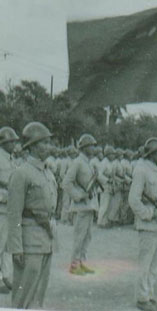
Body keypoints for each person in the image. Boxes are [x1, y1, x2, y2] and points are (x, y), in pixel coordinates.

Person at [7, 122, 57, 309]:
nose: (49, 146)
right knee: (23, 296)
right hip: (28, 242)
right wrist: (16, 248)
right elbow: (14, 214)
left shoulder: (47, 172)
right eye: (45, 142)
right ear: (34, 146)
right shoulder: (22, 173)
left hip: (45, 240)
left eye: (49, 142)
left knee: (38, 296)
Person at [128, 137, 157, 311]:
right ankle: (142, 298)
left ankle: (150, 294)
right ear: (151, 153)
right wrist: (149, 214)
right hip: (148, 225)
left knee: (156, 263)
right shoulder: (141, 170)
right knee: (145, 263)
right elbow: (133, 200)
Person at [63, 134, 100, 275]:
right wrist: (78, 196)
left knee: (87, 236)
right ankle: (74, 265)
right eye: (91, 145)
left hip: (89, 205)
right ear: (84, 148)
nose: (93, 148)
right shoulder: (77, 162)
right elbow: (66, 183)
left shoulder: (89, 163)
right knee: (79, 237)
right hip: (81, 206)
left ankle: (81, 262)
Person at [0, 127, 20, 294]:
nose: (14, 144)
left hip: (9, 207)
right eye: (12, 141)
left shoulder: (11, 159)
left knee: (7, 245)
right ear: (4, 142)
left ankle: (6, 277)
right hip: (1, 206)